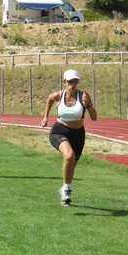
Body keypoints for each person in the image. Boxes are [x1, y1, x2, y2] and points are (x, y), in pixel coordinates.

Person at [41, 69, 97, 207]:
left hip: (78, 134)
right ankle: (66, 190)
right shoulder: (59, 96)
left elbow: (94, 117)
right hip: (59, 131)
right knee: (69, 156)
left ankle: (64, 188)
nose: (73, 84)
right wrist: (45, 117)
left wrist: (88, 105)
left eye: (75, 81)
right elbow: (49, 99)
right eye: (70, 81)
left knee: (72, 165)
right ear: (64, 81)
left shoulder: (83, 96)